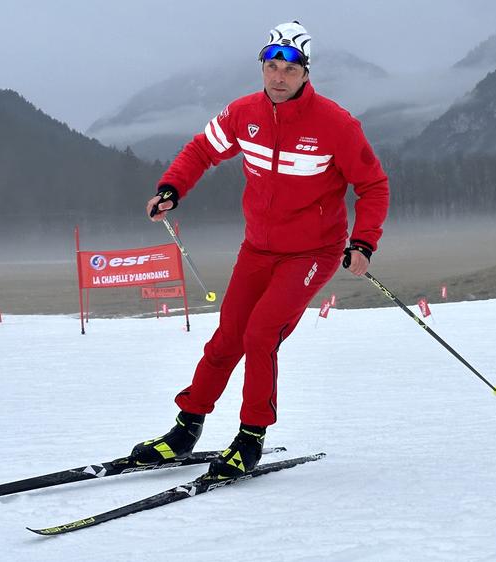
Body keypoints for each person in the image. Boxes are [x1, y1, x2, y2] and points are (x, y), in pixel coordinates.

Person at [132, 21, 389, 480]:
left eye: (288, 70)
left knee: (260, 333)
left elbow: (373, 185)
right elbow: (201, 150)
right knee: (228, 335)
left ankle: (250, 437)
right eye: (270, 67)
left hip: (313, 252)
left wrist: (364, 241)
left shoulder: (336, 124)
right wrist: (172, 188)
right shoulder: (243, 112)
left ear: (306, 73)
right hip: (258, 249)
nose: (277, 78)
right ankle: (185, 429)